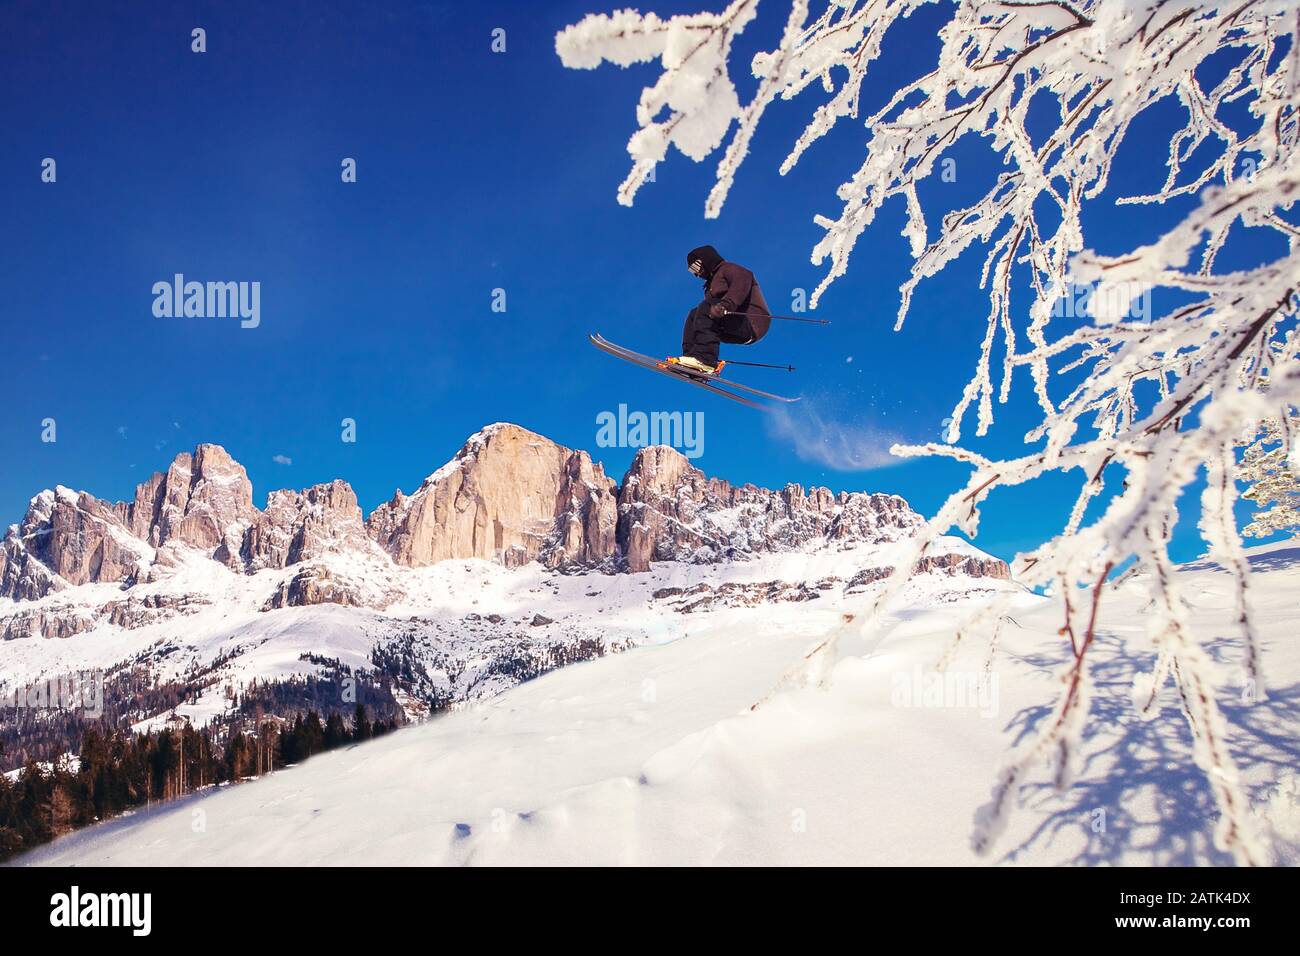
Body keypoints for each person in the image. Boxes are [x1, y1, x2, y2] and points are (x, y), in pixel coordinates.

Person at [676, 245, 771, 374]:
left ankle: (705, 360)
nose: (696, 273)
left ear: (706, 260)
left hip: (752, 321)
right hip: (736, 327)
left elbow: (742, 280)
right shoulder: (710, 284)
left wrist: (725, 305)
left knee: (705, 307)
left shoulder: (727, 269)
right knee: (694, 314)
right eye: (692, 271)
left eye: (696, 267)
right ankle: (691, 359)